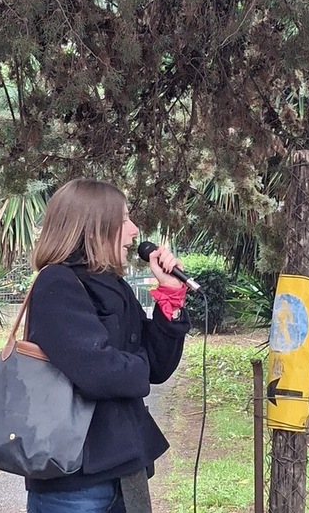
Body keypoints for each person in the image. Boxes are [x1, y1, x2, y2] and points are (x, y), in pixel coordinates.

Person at [23, 179, 191, 513]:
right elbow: (98, 372)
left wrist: (170, 296)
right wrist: (134, 365)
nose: (134, 231)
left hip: (126, 470)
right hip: (75, 479)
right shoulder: (57, 283)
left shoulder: (114, 284)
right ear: (94, 227)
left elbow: (157, 368)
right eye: (124, 219)